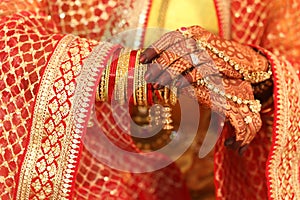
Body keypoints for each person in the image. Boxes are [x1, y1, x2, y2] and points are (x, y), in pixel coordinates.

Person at [0, 0, 299, 200]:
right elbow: (9, 41)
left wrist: (261, 72)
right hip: (94, 185)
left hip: (211, 188)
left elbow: (292, 59)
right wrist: (128, 72)